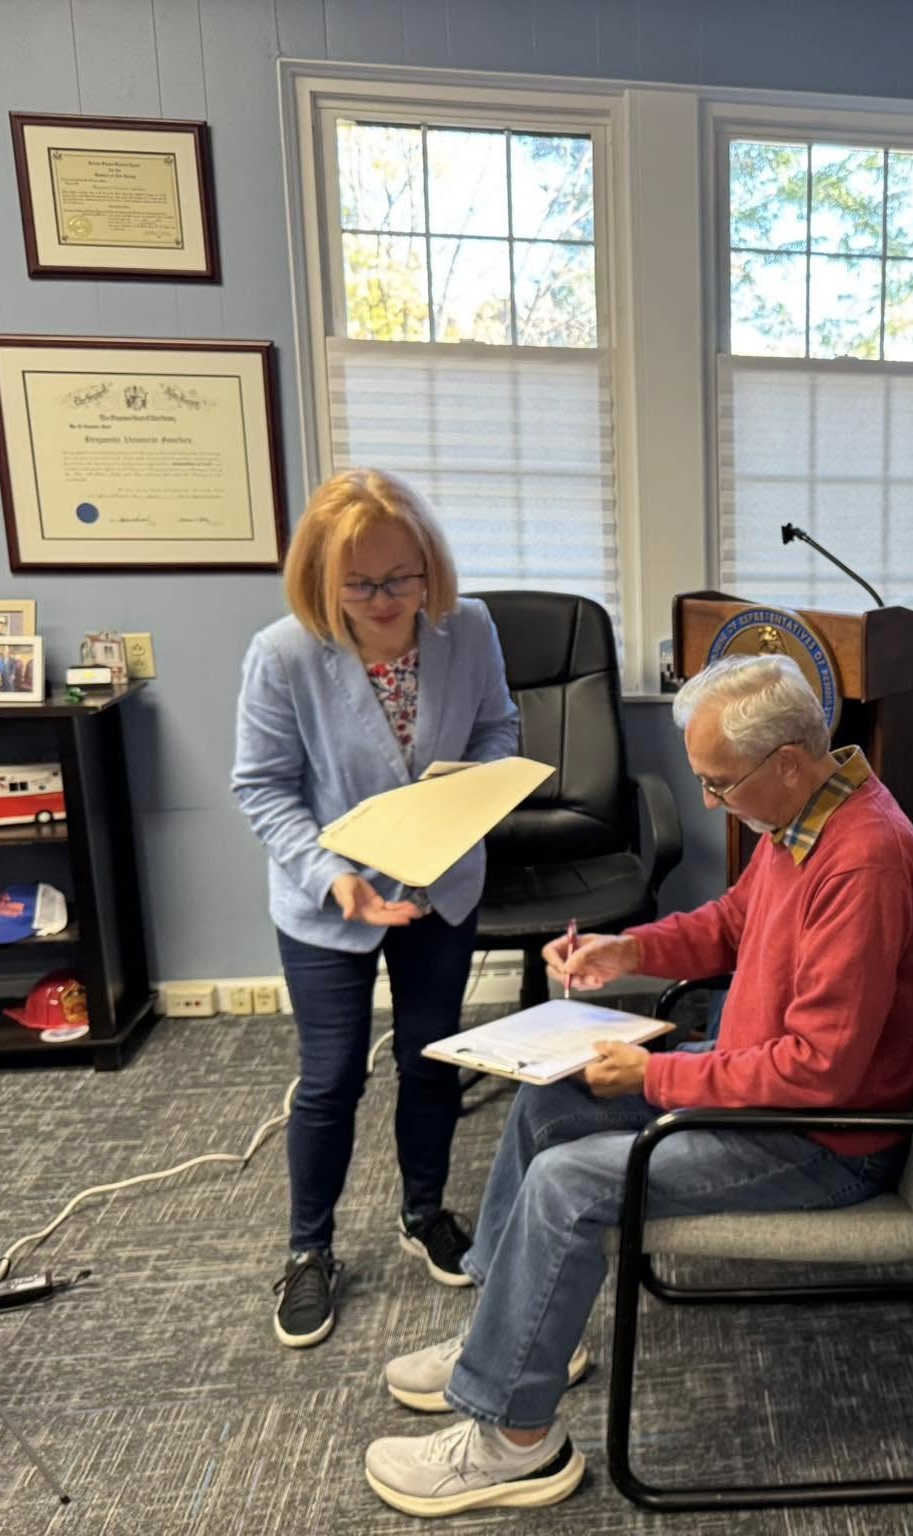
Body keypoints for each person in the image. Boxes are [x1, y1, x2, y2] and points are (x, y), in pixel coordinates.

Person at [361, 653, 913, 1517]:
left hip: (822, 1143)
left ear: (787, 761)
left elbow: (820, 1072)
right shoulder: (803, 816)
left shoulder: (863, 861)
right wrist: (630, 950)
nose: (708, 800)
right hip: (757, 1096)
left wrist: (658, 1073)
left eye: (718, 782)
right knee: (550, 1097)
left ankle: (514, 1443)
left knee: (569, 1180)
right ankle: (507, 1337)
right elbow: (733, 923)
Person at [231, 468, 519, 1350]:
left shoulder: (468, 628)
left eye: (403, 578)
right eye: (361, 585)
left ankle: (424, 1212)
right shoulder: (283, 654)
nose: (387, 601)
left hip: (439, 884)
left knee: (430, 1061)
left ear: (431, 567)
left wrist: (468, 794)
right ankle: (308, 1249)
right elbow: (263, 787)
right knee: (331, 1080)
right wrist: (331, 877)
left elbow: (497, 728)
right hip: (333, 899)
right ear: (322, 579)